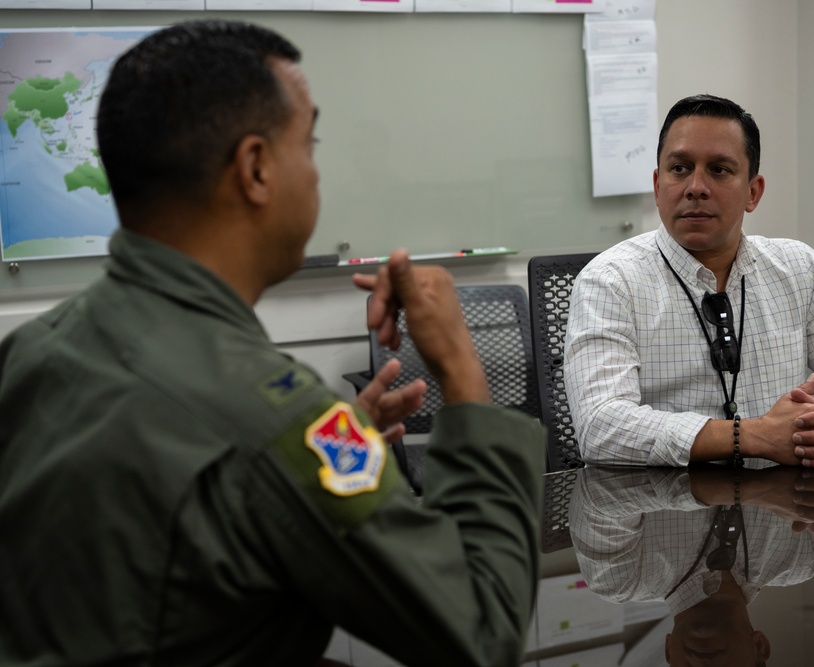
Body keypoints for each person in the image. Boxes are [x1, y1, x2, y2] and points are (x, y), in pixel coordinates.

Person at [0, 20, 546, 667]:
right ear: (256, 168)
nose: (316, 173)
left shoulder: (32, 349)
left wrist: (324, 442)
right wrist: (458, 362)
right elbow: (483, 633)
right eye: (308, 143)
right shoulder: (283, 422)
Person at [564, 94, 814, 468]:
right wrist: (753, 436)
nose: (696, 186)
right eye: (679, 168)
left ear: (753, 192)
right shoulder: (610, 280)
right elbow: (601, 427)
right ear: (657, 184)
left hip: (784, 513)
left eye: (719, 170)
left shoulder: (799, 267)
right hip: (660, 512)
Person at [569, 437, 814, 666]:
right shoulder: (797, 560)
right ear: (759, 648)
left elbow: (603, 494)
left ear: (670, 654)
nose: (703, 666)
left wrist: (756, 488)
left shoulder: (621, 580)